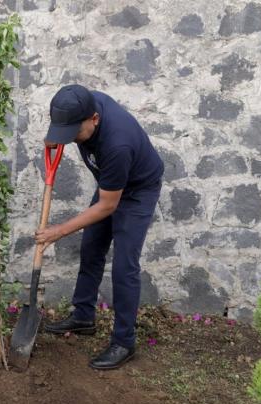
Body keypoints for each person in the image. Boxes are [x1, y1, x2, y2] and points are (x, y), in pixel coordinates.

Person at [36, 84, 164, 370]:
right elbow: (63, 129)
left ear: (94, 119)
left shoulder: (118, 143)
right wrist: (55, 137)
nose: (71, 141)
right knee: (91, 247)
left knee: (124, 265)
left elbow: (107, 206)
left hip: (135, 190)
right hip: (110, 183)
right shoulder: (77, 105)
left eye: (73, 134)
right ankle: (83, 316)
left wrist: (59, 231)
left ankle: (124, 341)